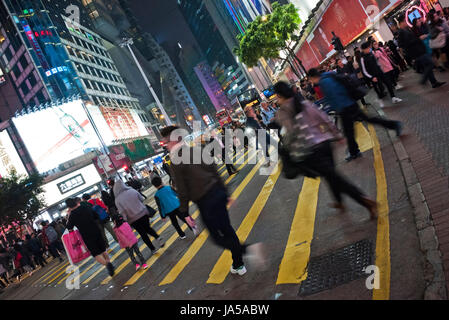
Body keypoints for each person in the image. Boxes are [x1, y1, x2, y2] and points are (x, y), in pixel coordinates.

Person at [159, 125, 264, 276]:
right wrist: (225, 193)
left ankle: (248, 250)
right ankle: (238, 264)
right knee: (227, 229)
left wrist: (184, 212)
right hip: (218, 192)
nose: (166, 145)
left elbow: (182, 189)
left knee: (216, 237)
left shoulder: (176, 159)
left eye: (166, 142)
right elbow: (214, 170)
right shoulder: (197, 149)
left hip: (205, 201)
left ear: (174, 140)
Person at [273, 81, 378, 218]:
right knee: (331, 175)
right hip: (325, 144)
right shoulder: (304, 103)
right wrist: (337, 134)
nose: (276, 100)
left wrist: (285, 145)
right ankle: (339, 202)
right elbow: (324, 118)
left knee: (335, 178)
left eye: (277, 97)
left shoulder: (282, 112)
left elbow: (291, 133)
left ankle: (364, 200)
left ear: (280, 96)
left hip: (311, 152)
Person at [307, 68, 402, 162]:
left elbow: (336, 95)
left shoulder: (324, 82)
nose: (311, 82)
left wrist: (339, 109)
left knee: (351, 130)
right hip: (349, 104)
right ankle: (393, 125)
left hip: (345, 107)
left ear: (313, 77)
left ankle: (354, 151)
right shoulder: (328, 76)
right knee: (356, 127)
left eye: (310, 79)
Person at [65, 198, 115, 276]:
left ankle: (108, 265)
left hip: (87, 235)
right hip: (96, 230)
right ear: (75, 202)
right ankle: (109, 262)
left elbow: (69, 227)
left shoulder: (72, 215)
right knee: (102, 249)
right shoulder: (86, 207)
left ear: (69, 207)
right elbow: (96, 216)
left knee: (95, 253)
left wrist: (69, 215)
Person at [113, 179, 165, 255]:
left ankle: (153, 249)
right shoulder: (132, 191)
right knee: (147, 228)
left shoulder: (117, 200)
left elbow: (122, 212)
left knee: (143, 234)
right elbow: (141, 199)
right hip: (143, 213)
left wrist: (125, 220)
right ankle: (157, 237)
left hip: (133, 219)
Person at [397, 14, 445, 88]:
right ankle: (423, 79)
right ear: (401, 22)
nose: (406, 23)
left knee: (427, 65)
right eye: (404, 21)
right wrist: (419, 39)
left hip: (419, 50)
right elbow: (403, 45)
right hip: (417, 52)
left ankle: (434, 82)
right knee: (431, 63)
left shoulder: (406, 30)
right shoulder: (401, 32)